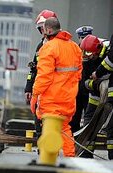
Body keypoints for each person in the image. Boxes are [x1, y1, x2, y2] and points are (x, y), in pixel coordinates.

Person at [31, 17, 82, 157]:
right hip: (69, 99)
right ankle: (70, 160)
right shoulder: (75, 48)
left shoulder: (48, 48)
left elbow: (43, 76)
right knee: (65, 129)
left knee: (49, 130)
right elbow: (78, 74)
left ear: (47, 30)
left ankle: (48, 164)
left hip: (51, 100)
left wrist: (35, 95)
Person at [25, 9, 58, 136]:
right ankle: (41, 149)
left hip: (54, 90)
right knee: (38, 119)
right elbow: (33, 68)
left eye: (43, 28)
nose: (42, 32)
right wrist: (28, 87)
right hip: (39, 89)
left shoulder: (58, 45)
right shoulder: (40, 46)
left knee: (51, 122)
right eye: (40, 29)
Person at [80, 33, 112, 158]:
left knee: (110, 126)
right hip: (95, 95)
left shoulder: (108, 52)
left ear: (98, 49)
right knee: (89, 121)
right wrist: (96, 84)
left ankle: (111, 155)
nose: (89, 56)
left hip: (110, 93)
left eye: (90, 53)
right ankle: (86, 152)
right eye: (86, 53)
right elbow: (83, 84)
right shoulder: (87, 60)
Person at [70, 25, 95, 133]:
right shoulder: (74, 51)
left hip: (90, 90)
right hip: (76, 90)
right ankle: (74, 142)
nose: (85, 40)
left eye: (87, 37)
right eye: (82, 38)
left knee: (90, 118)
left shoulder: (96, 50)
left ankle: (86, 141)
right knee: (74, 118)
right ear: (79, 38)